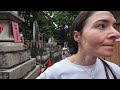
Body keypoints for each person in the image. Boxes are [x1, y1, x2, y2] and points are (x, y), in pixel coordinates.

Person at [36, 11, 120, 79]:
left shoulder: (115, 70)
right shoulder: (54, 74)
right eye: (102, 26)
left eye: (114, 27)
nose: (117, 34)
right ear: (77, 36)